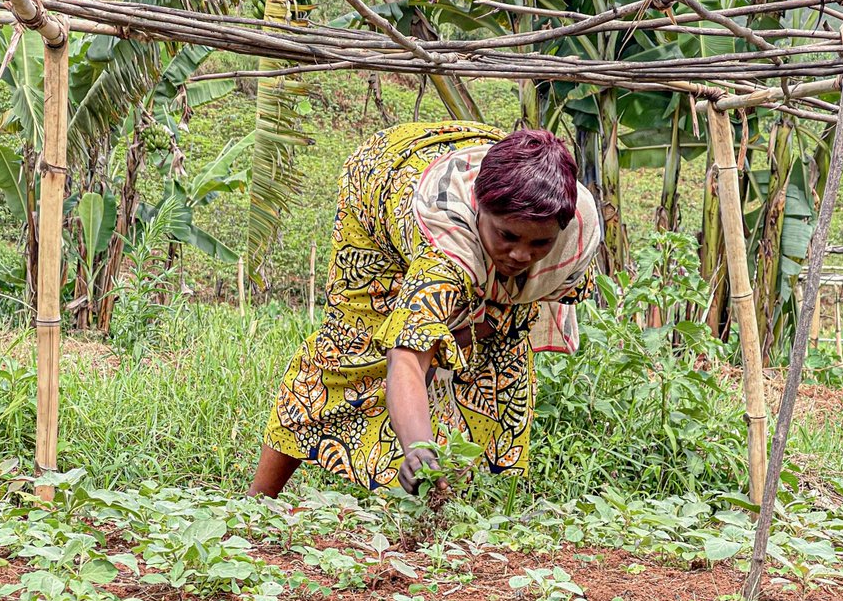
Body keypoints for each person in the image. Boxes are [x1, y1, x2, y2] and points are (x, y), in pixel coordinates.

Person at [249, 120, 601, 498]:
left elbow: (517, 305)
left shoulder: (575, 233)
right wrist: (417, 445)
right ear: (478, 209)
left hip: (479, 157)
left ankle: (446, 502)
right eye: (507, 235)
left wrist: (464, 331)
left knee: (493, 351)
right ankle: (256, 503)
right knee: (353, 347)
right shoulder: (443, 242)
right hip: (381, 182)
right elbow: (406, 356)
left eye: (539, 244)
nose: (520, 255)